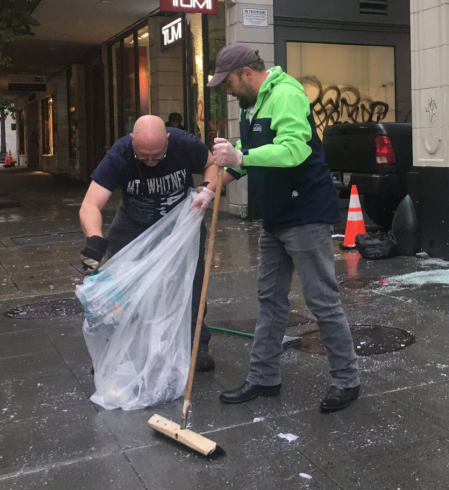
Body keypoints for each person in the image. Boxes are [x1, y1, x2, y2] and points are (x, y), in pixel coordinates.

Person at [198, 43, 360, 412]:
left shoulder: (286, 95)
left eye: (229, 83)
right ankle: (263, 377)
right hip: (274, 217)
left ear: (247, 74)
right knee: (270, 299)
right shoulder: (252, 104)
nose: (227, 90)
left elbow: (293, 150)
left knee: (322, 301)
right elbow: (245, 157)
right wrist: (209, 192)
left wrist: (241, 156)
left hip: (304, 214)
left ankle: (347, 381)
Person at [79, 115, 218, 371]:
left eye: (158, 155)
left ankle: (195, 345)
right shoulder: (119, 153)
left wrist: (207, 189)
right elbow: (91, 203)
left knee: (191, 287)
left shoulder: (184, 143)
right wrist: (95, 238)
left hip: (181, 224)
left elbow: (212, 164)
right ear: (132, 141)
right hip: (132, 224)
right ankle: (121, 347)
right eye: (144, 157)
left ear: (168, 139)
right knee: (123, 289)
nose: (151, 162)